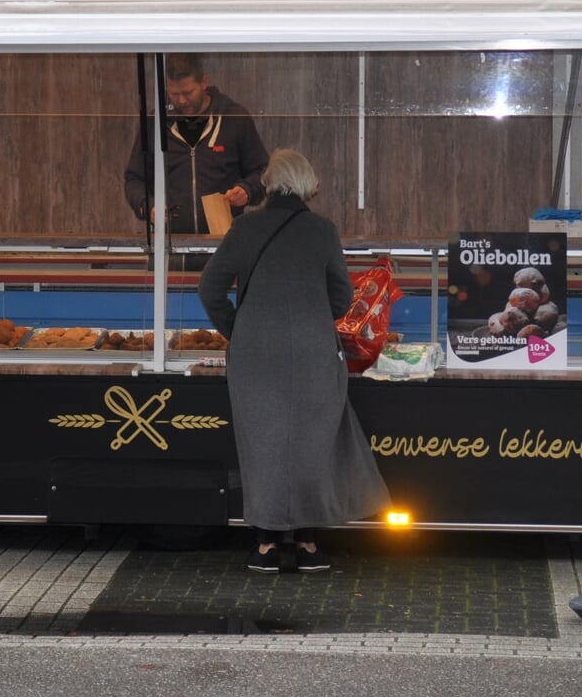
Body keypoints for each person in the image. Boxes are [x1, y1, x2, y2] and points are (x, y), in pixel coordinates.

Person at [197, 147, 390, 573]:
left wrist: (239, 329)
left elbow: (209, 289)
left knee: (261, 442)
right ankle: (307, 544)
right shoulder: (322, 230)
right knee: (311, 442)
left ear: (268, 183)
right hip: (312, 351)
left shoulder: (245, 228)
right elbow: (341, 297)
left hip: (255, 353)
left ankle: (265, 546)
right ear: (308, 186)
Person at [123, 54, 269, 234]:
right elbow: (134, 179)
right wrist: (149, 206)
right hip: (169, 243)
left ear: (204, 82)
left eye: (188, 92)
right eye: (174, 94)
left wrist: (247, 190)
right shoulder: (156, 122)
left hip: (225, 240)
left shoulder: (234, 118)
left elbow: (263, 172)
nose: (182, 101)